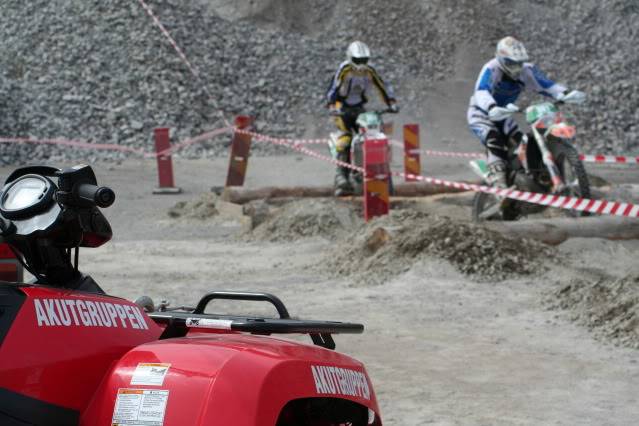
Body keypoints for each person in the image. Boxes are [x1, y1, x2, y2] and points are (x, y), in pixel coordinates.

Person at [467, 36, 583, 188]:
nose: (516, 68)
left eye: (519, 63)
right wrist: (491, 107)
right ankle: (498, 181)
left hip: (504, 115)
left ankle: (528, 177)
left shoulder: (526, 69)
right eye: (511, 63)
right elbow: (482, 91)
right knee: (494, 139)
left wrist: (565, 93)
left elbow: (546, 85)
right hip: (481, 113)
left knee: (522, 143)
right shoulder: (491, 68)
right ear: (500, 58)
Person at [326, 41, 398, 196]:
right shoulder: (344, 69)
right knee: (346, 138)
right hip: (342, 108)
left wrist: (391, 102)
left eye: (364, 60)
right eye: (358, 60)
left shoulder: (370, 71)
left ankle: (377, 174)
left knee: (370, 135)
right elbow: (334, 87)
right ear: (350, 58)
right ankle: (341, 177)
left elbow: (382, 85)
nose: (361, 64)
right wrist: (332, 105)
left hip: (359, 107)